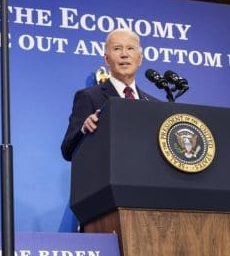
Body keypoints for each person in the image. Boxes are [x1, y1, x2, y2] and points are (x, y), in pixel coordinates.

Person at [60, 29, 160, 161]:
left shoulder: (153, 104)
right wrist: (84, 130)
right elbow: (67, 150)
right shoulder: (88, 96)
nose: (124, 54)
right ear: (107, 59)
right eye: (117, 49)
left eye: (130, 48)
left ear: (140, 59)